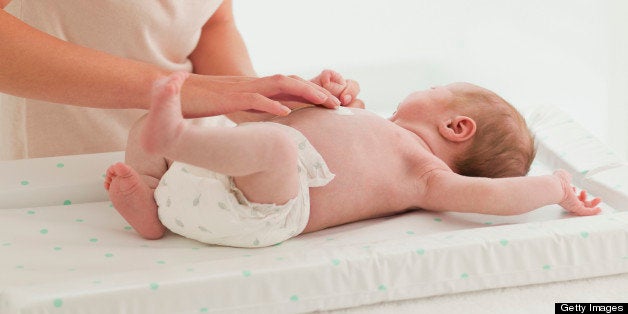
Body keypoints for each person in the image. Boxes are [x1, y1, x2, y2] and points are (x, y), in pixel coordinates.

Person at [104, 71, 601, 247]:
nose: (421, 88)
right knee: (147, 133)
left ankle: (172, 140)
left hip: (265, 210)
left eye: (435, 89)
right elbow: (314, 123)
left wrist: (553, 187)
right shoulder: (377, 126)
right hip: (216, 184)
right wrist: (326, 96)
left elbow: (494, 197)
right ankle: (150, 206)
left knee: (274, 147)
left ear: (456, 127)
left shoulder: (426, 175)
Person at [0, 0, 359, 160]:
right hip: (61, 176)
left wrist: (260, 104)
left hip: (194, 166)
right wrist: (175, 92)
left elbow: (211, 22)